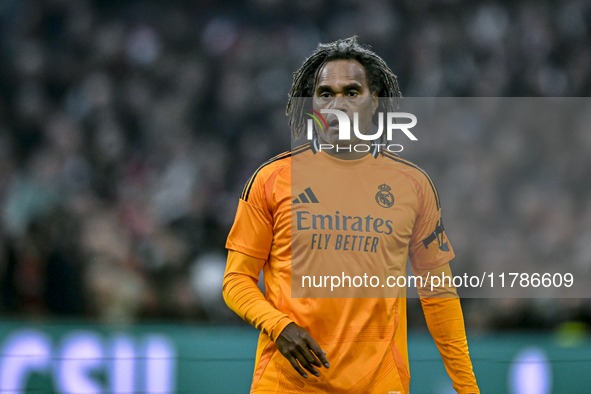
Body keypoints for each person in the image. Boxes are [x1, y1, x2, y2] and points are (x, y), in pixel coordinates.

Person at [223, 36, 479, 393]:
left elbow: (438, 293)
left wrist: (468, 387)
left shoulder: (413, 185)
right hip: (288, 382)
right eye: (325, 94)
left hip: (378, 382)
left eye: (351, 92)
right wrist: (278, 326)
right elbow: (236, 281)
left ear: (375, 101)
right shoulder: (271, 181)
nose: (337, 105)